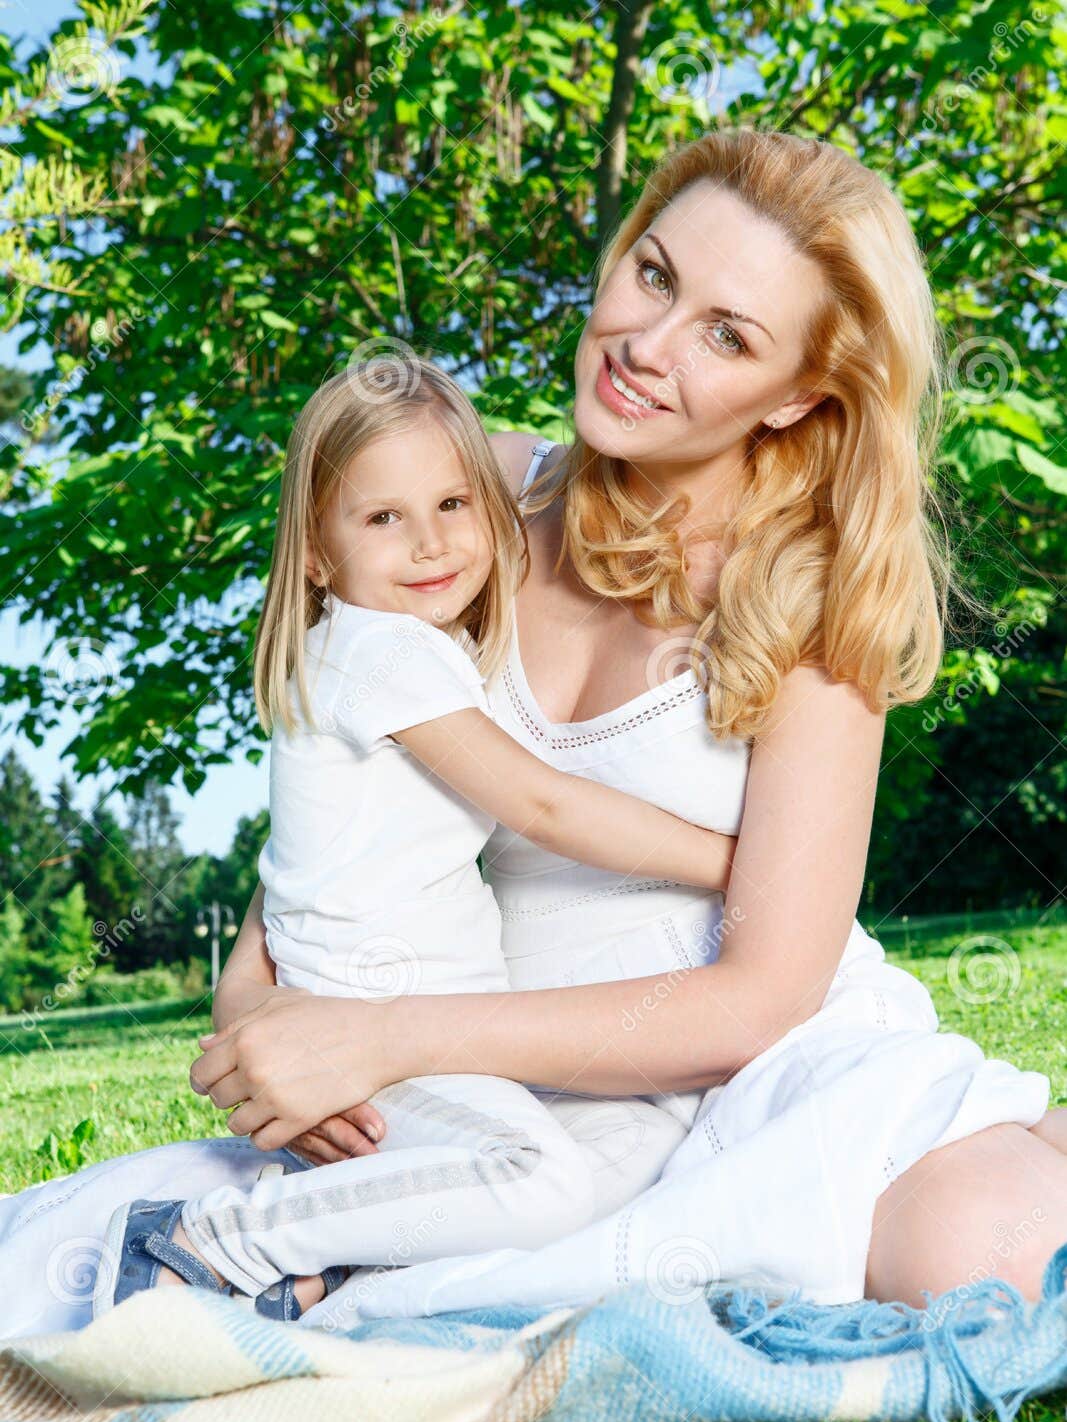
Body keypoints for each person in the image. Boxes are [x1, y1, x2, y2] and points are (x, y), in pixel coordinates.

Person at [1, 129, 1062, 1344]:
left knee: (976, 1258)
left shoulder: (813, 596)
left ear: (797, 395)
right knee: (52, 1268)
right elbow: (349, 772)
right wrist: (258, 1002)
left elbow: (759, 996)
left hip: (750, 1070)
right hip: (493, 1099)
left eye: (727, 335)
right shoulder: (465, 497)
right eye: (653, 276)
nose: (645, 347)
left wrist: (384, 1035)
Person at [91, 359, 741, 1322]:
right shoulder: (384, 651)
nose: (430, 542)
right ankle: (212, 1241)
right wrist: (736, 863)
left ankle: (339, 1266)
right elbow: (542, 805)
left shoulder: (382, 650)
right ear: (317, 553)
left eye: (450, 504)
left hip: (420, 1023)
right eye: (382, 518)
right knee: (542, 1181)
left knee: (633, 1157)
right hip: (372, 1019)